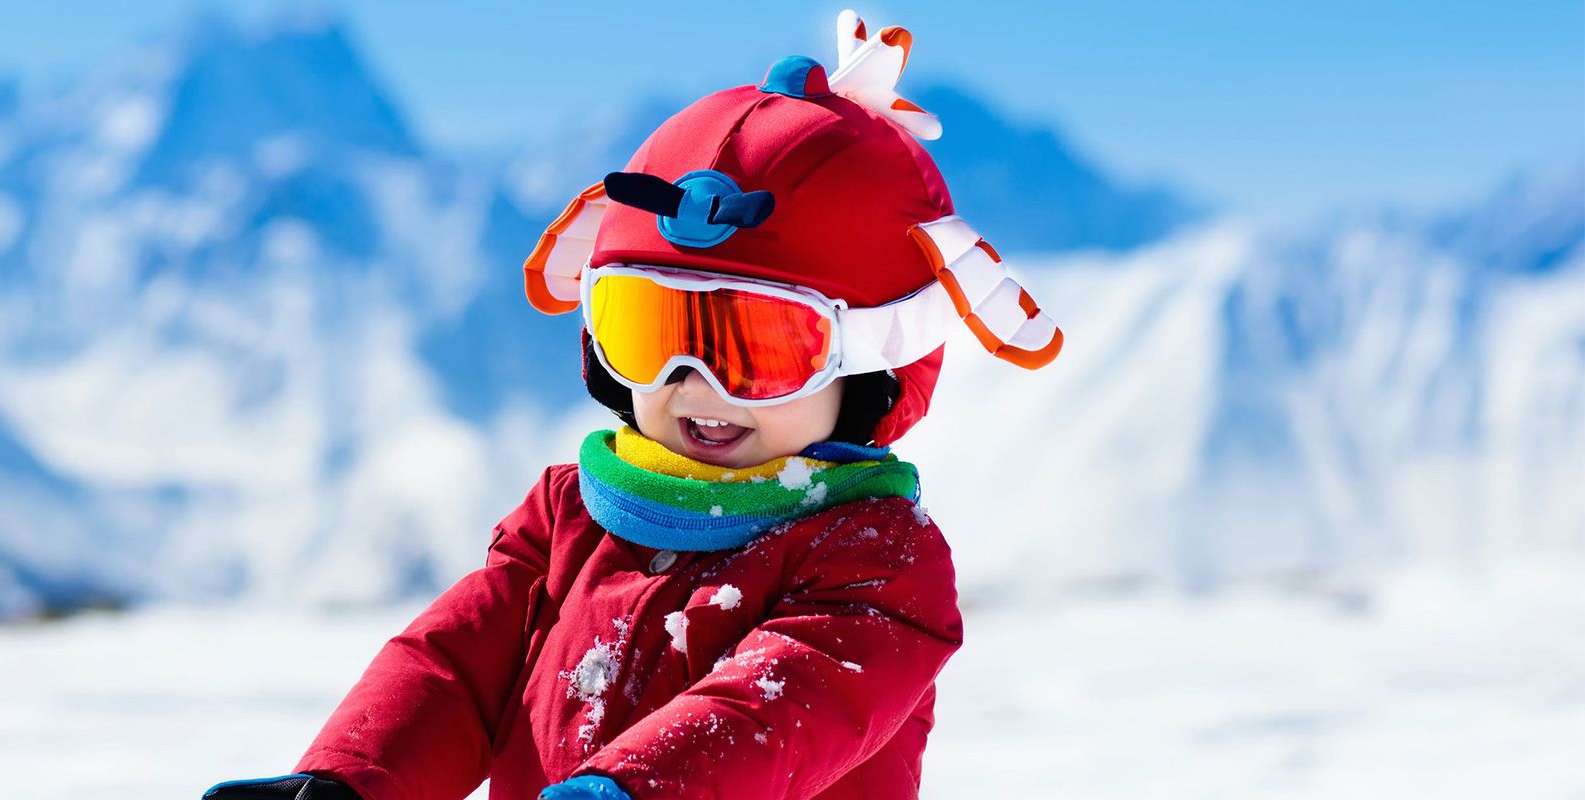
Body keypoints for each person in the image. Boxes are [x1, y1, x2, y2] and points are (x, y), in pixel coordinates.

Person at [203, 10, 1061, 800]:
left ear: (870, 372)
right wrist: (350, 782)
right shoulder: (570, 519)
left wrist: (630, 792)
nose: (694, 380)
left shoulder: (877, 564)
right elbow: (454, 671)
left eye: (758, 347)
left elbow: (767, 711)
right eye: (651, 332)